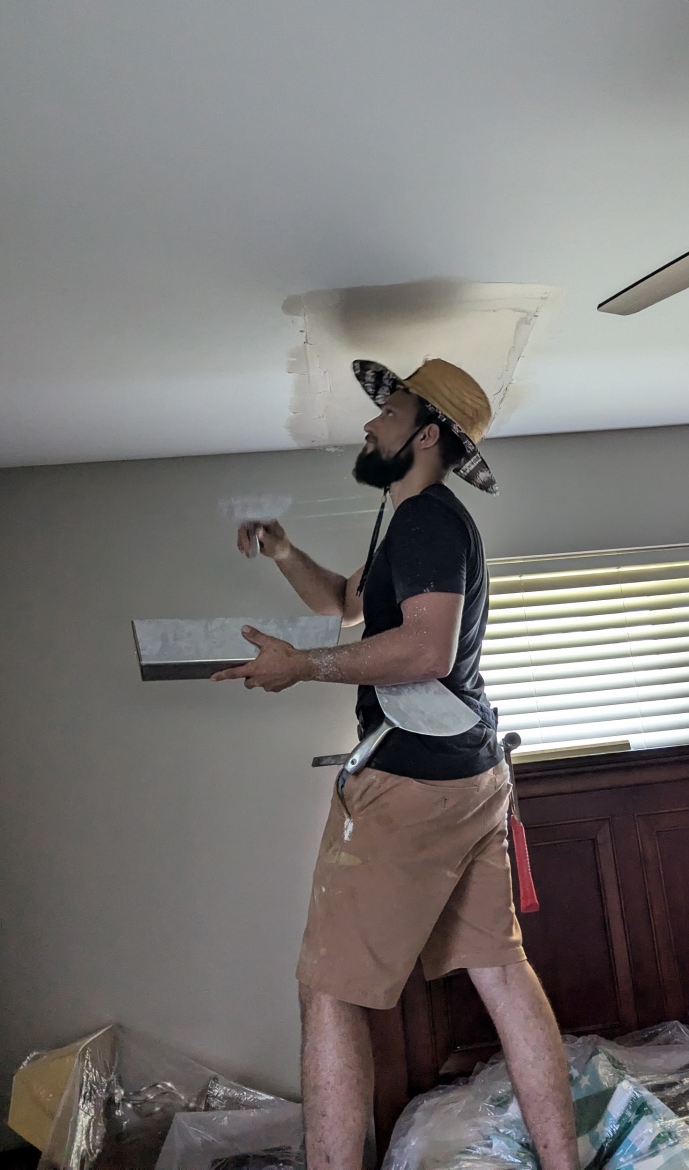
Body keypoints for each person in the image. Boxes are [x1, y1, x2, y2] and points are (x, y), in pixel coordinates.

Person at [212, 358, 579, 1170]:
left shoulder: (427, 522)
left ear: (425, 435)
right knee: (500, 970)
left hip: (414, 782)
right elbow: (344, 602)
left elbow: (425, 649)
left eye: (388, 413)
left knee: (329, 991)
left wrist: (301, 667)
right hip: (471, 776)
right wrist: (284, 550)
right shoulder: (406, 519)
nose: (369, 424)